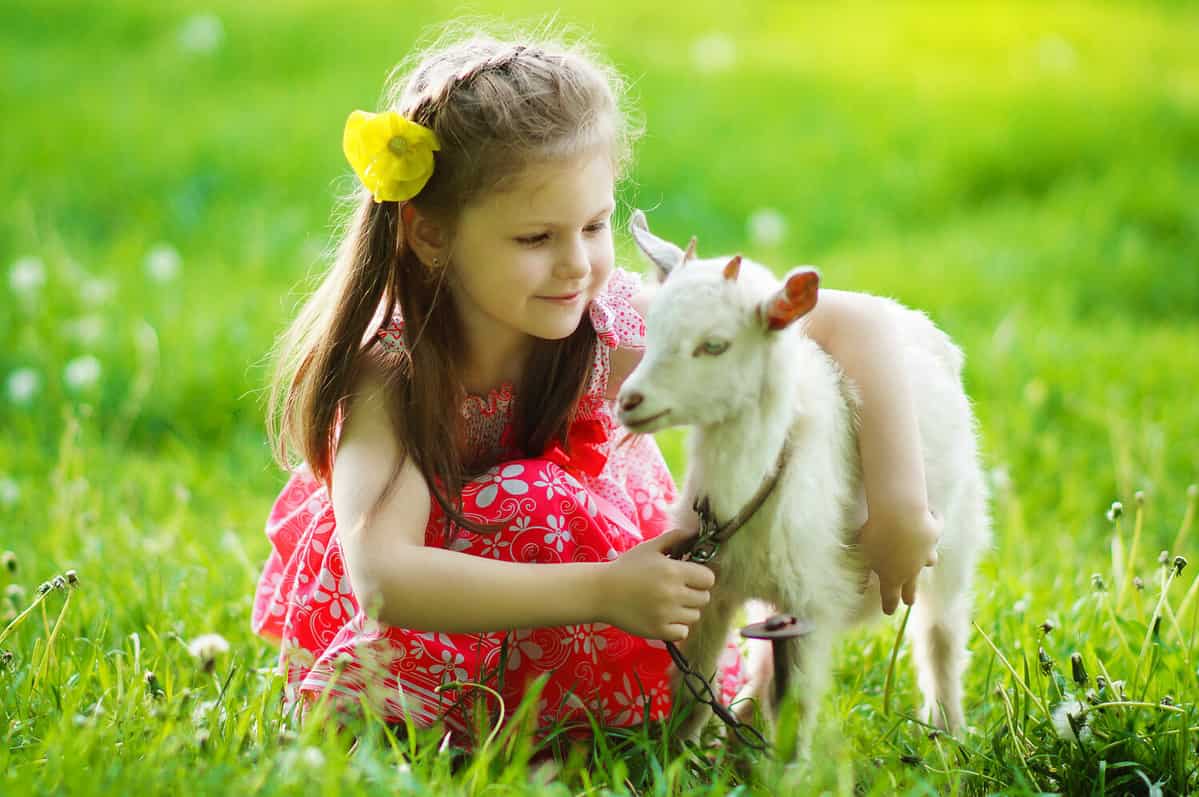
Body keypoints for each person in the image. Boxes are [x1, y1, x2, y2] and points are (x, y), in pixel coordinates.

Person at [251, 29, 940, 747]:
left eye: (595, 225)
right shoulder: (395, 372)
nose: (576, 265)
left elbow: (854, 321)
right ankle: (469, 722)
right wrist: (605, 589)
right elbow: (386, 576)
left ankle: (580, 721)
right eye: (534, 239)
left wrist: (898, 501)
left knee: (551, 507)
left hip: (608, 606)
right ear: (429, 236)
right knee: (530, 495)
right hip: (444, 631)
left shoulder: (602, 327)